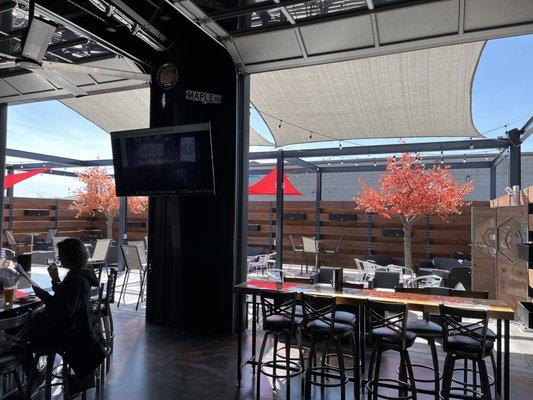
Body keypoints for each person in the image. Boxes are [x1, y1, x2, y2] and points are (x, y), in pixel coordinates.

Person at [29, 238, 106, 385]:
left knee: (22, 338)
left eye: (61, 255)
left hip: (68, 334)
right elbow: (67, 298)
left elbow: (64, 311)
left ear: (70, 256)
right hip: (81, 332)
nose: (59, 258)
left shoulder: (75, 279)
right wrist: (56, 279)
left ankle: (33, 376)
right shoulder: (82, 275)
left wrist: (42, 295)